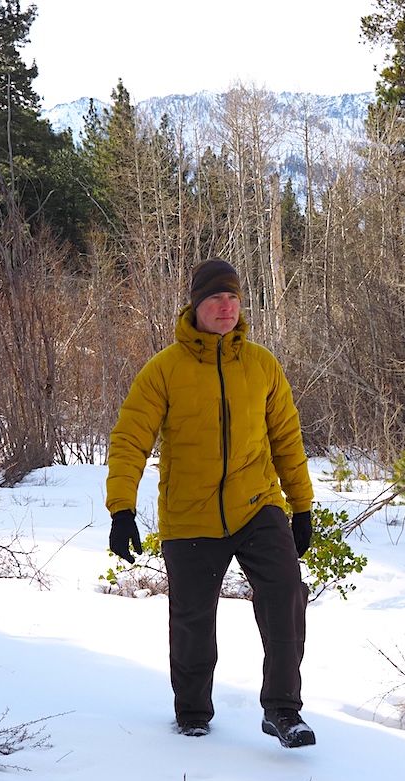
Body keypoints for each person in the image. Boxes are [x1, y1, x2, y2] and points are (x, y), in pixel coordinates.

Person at [105, 258, 317, 748]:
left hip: (256, 503)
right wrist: (122, 509)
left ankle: (283, 710)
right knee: (193, 618)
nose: (226, 307)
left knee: (286, 591)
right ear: (196, 306)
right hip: (190, 513)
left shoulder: (261, 365)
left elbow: (286, 437)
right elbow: (130, 439)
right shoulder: (165, 370)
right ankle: (193, 713)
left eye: (233, 297)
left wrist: (301, 506)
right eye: (215, 299)